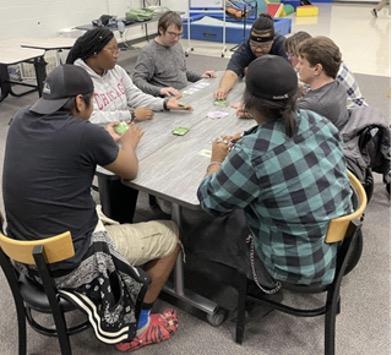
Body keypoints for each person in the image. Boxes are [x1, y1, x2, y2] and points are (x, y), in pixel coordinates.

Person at [2, 64, 180, 352]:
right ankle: (140, 325)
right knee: (170, 233)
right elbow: (129, 170)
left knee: (102, 215)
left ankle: (127, 283)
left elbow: (62, 146)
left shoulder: (20, 119)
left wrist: (99, 135)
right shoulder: (84, 132)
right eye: (91, 100)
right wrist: (129, 142)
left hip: (24, 255)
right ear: (79, 102)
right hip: (70, 262)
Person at [198, 55, 353, 287]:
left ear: (248, 101)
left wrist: (216, 161)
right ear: (296, 95)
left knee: (220, 221)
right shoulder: (318, 121)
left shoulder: (252, 153)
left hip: (292, 266)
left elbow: (210, 202)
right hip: (339, 247)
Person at [66, 28, 190, 125]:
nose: (117, 54)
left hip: (122, 129)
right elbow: (91, 117)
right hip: (99, 137)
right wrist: (130, 115)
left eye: (118, 49)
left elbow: (134, 95)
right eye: (112, 50)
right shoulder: (78, 79)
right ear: (94, 53)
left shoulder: (116, 70)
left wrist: (164, 103)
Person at [132, 11, 216, 97]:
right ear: (161, 30)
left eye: (179, 35)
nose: (176, 39)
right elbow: (137, 80)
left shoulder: (176, 45)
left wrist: (201, 78)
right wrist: (160, 90)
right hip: (165, 100)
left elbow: (182, 71)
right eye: (172, 34)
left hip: (183, 94)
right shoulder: (149, 52)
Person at [285, 31, 367, 109]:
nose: (289, 58)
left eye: (292, 54)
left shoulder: (334, 78)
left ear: (317, 68)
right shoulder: (328, 65)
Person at [214, 14, 286, 100]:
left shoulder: (282, 45)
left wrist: (255, 71)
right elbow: (232, 71)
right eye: (254, 45)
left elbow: (287, 76)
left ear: (272, 41)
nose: (258, 50)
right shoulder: (246, 46)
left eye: (263, 46)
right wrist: (222, 89)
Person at [296, 36, 349, 130]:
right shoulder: (339, 87)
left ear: (317, 69)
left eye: (301, 63)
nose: (297, 67)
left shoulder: (312, 105)